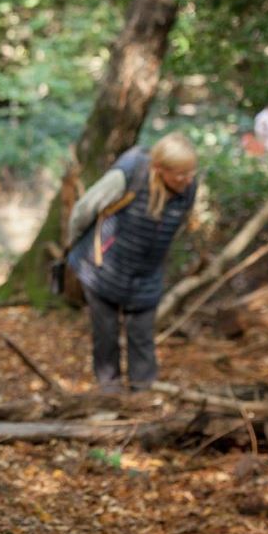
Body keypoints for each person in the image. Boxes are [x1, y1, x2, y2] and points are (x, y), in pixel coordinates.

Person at [65, 134, 199, 393]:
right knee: (106, 334)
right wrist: (72, 245)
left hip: (145, 274)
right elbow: (84, 210)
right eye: (181, 174)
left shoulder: (188, 189)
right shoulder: (129, 174)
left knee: (142, 336)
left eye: (191, 172)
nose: (188, 179)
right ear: (159, 169)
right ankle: (110, 391)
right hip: (102, 268)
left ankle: (143, 393)